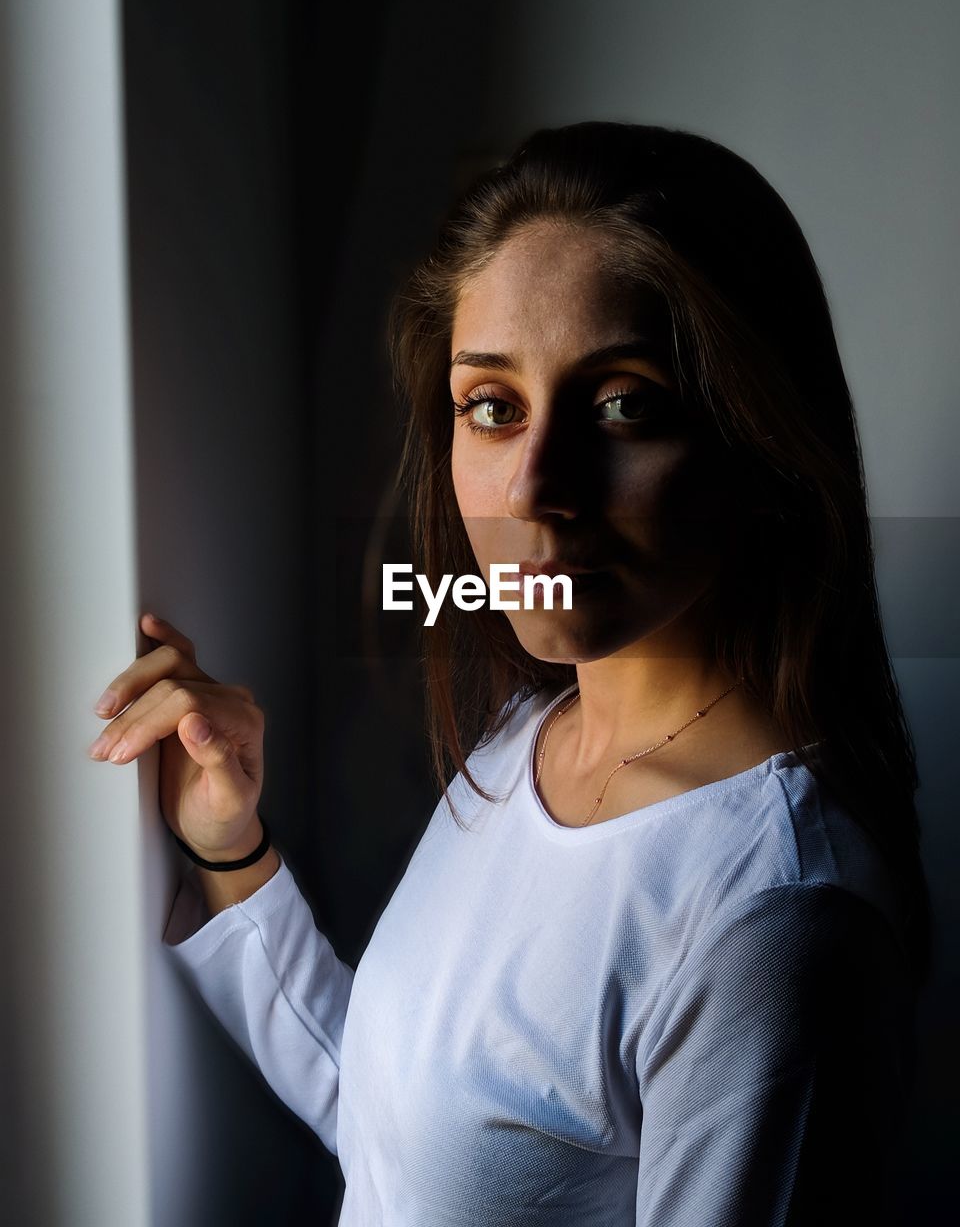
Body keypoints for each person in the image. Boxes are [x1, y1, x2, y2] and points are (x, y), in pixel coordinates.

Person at [89, 121, 932, 1225]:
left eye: (624, 402)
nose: (536, 486)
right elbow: (409, 1129)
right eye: (493, 406)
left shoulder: (774, 917)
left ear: (760, 438)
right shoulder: (529, 737)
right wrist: (229, 841)